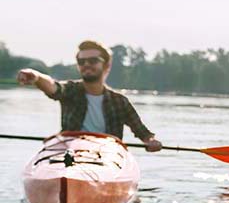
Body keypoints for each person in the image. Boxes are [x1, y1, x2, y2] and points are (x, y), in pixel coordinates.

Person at [16, 40, 162, 151]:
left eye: (93, 61)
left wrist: (151, 141)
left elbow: (143, 133)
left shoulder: (120, 101)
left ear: (106, 65)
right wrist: (36, 77)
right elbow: (53, 87)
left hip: (107, 155)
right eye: (81, 61)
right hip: (71, 151)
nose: (86, 64)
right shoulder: (70, 90)